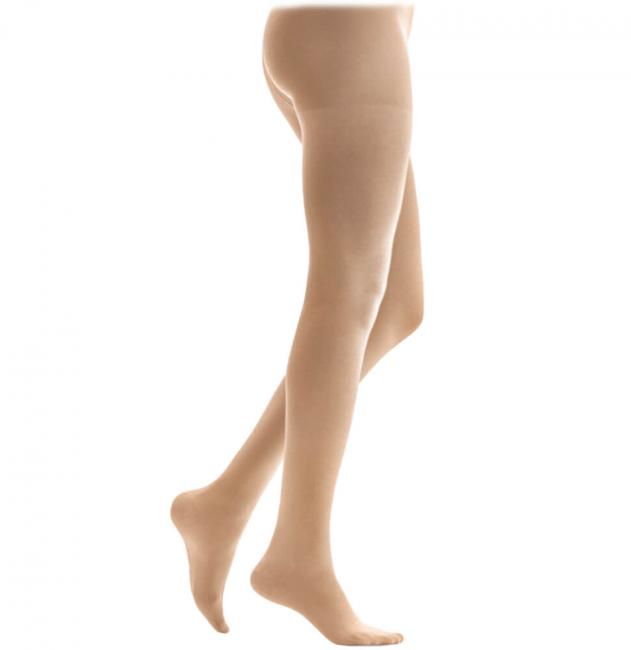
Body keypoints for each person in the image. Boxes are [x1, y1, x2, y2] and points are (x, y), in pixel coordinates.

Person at [171, 2, 423, 645]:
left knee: (396, 304)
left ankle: (225, 501)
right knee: (346, 293)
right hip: (349, 29)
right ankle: (299, 551)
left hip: (360, 31)